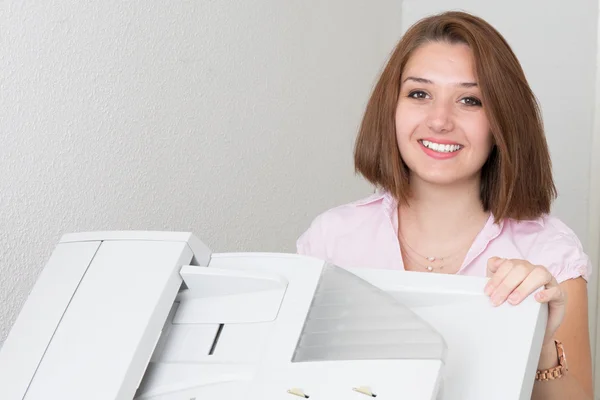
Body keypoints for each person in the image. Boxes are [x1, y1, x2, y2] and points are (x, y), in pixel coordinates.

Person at [296, 10, 593, 399]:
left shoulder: (550, 253)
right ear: (392, 106)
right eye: (419, 93)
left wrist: (539, 346)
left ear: (503, 120)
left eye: (470, 100)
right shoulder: (329, 241)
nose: (439, 120)